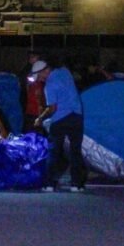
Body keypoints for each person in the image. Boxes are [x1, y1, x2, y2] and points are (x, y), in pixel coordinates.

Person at [33, 60, 86, 192]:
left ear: (45, 71)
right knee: (75, 151)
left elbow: (52, 108)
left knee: (53, 151)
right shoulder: (65, 72)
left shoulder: (49, 85)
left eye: (40, 76)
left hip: (60, 119)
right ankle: (77, 185)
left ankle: (49, 184)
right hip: (76, 115)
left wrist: (40, 118)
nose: (40, 79)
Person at [23, 51, 48, 132]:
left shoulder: (37, 83)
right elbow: (39, 104)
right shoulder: (38, 86)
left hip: (30, 114)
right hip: (34, 115)